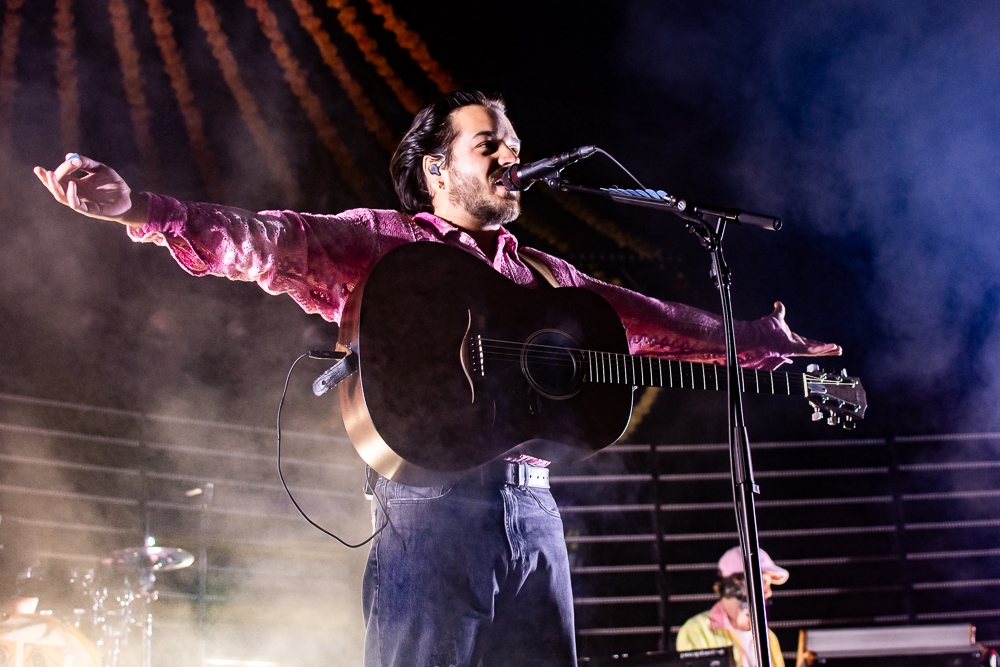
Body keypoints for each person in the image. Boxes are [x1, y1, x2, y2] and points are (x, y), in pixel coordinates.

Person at [34, 91, 840, 666]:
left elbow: (651, 318)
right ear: (434, 169)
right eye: (489, 142)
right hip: (428, 514)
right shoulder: (383, 246)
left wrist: (751, 341)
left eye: (515, 145)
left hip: (536, 514)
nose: (512, 156)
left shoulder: (543, 274)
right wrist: (145, 208)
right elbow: (264, 240)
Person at [676, 546, 790, 667]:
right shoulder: (696, 630)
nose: (769, 591)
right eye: (764, 582)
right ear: (737, 580)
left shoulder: (768, 636)